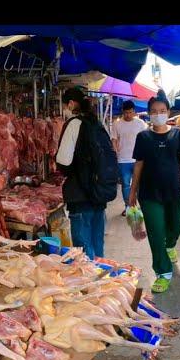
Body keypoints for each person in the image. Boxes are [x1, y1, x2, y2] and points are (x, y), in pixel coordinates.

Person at [129, 90, 180, 293]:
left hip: (174, 191)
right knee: (155, 232)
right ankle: (163, 271)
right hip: (149, 194)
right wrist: (132, 191)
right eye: (154, 111)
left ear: (168, 112)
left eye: (161, 110)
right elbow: (138, 165)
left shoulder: (178, 135)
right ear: (149, 114)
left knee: (175, 226)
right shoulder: (143, 137)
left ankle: (171, 245)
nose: (158, 114)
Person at [56, 88, 118, 260]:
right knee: (97, 245)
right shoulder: (98, 123)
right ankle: (101, 282)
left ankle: (90, 284)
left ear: (70, 104)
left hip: (80, 195)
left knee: (83, 249)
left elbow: (63, 162)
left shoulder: (74, 123)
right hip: (99, 194)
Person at [110, 100, 147, 217]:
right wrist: (115, 151)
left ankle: (143, 206)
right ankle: (128, 207)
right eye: (126, 113)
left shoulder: (141, 123)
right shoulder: (117, 124)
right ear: (122, 112)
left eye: (130, 112)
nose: (128, 115)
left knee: (141, 185)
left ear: (134, 112)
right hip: (123, 160)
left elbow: (147, 139)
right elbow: (114, 140)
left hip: (138, 160)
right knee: (126, 185)